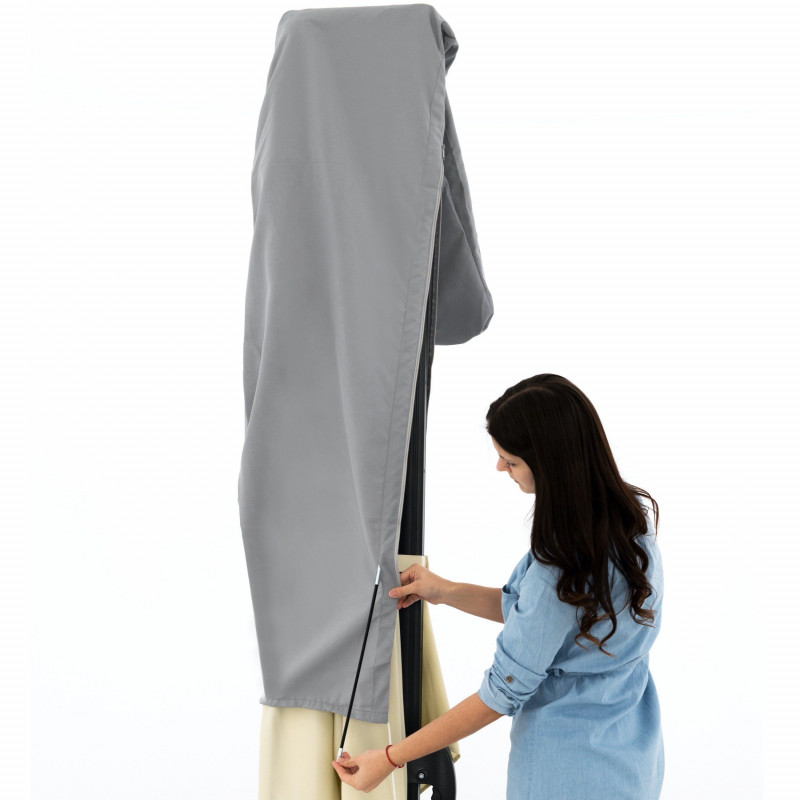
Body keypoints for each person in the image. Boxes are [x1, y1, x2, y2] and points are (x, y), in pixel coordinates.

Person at [332, 373, 665, 798]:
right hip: (632, 758)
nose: (500, 468)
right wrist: (445, 591)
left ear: (550, 464)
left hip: (564, 771)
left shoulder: (561, 564)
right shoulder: (629, 519)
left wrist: (390, 758)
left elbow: (501, 693)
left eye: (510, 461)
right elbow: (547, 618)